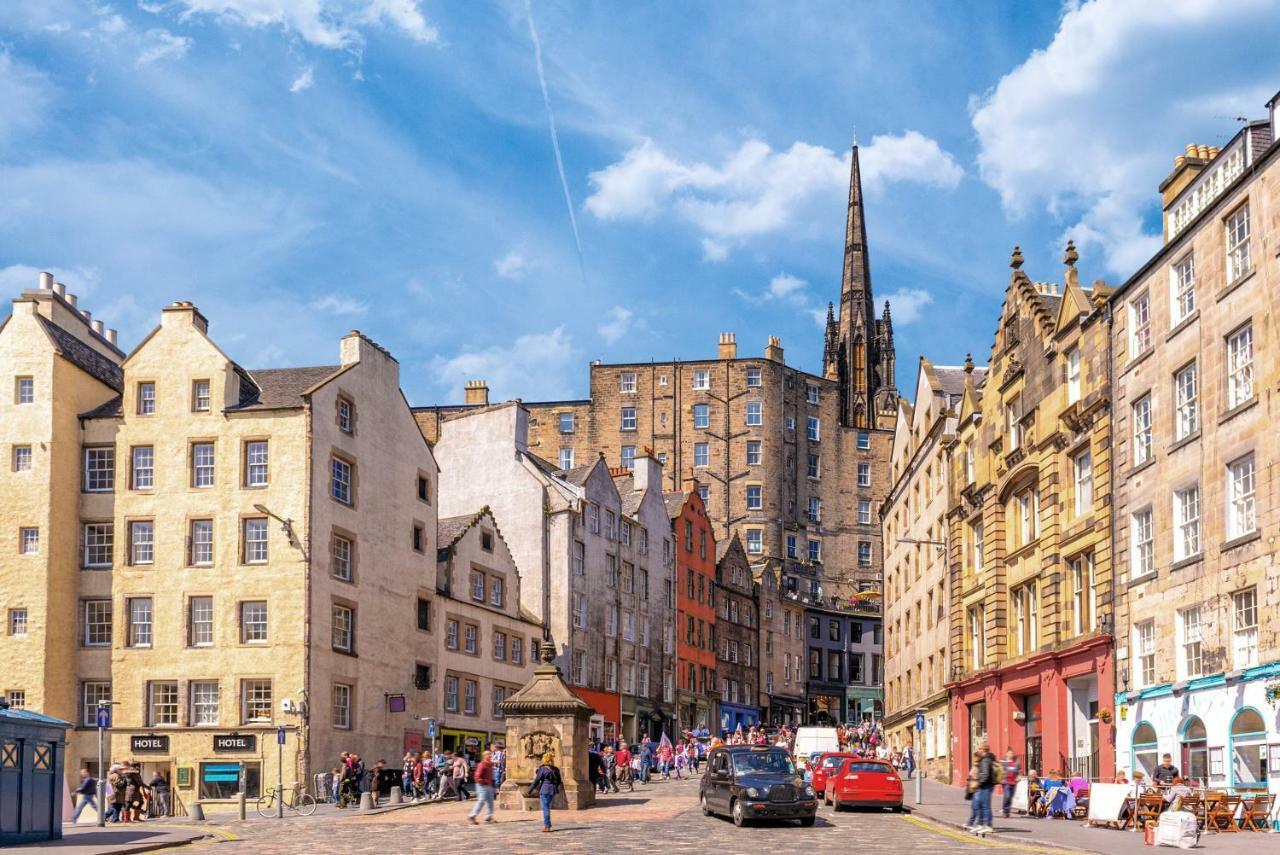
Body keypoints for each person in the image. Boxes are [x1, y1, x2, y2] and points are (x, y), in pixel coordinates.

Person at [528, 753, 562, 832]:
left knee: (545, 808)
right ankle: (548, 825)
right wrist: (555, 786)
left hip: (545, 789)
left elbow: (537, 781)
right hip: (552, 790)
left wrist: (530, 790)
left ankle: (547, 826)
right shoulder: (556, 769)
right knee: (547, 807)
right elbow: (559, 781)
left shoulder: (542, 769)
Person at [973, 742, 998, 834]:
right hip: (986, 785)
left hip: (986, 785)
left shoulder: (985, 760)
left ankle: (988, 826)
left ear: (983, 750)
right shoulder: (985, 759)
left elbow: (985, 774)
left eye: (979, 749)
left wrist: (979, 783)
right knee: (983, 805)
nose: (978, 750)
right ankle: (984, 824)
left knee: (986, 806)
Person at [467, 750, 497, 824]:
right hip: (481, 785)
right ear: (484, 756)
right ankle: (472, 816)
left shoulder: (489, 764)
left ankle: (489, 817)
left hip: (488, 785)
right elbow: (477, 777)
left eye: (490, 754)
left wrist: (492, 783)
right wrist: (484, 782)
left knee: (490, 801)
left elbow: (491, 774)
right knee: (481, 801)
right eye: (488, 755)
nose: (490, 756)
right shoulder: (482, 764)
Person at [963, 751, 982, 831]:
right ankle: (971, 823)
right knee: (975, 808)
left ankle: (973, 823)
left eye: (975, 757)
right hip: (975, 789)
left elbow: (972, 775)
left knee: (976, 807)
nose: (974, 759)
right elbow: (972, 775)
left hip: (976, 788)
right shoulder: (977, 765)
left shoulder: (978, 766)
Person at [999, 749, 1020, 819]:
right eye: (1010, 753)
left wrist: (1018, 776)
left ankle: (1007, 811)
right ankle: (1005, 811)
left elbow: (1019, 771)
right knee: (1007, 796)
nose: (1011, 754)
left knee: (1010, 797)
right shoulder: (1003, 761)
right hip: (1006, 782)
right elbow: (999, 770)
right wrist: (1000, 778)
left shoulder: (1016, 762)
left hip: (1013, 782)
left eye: (1012, 753)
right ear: (1007, 754)